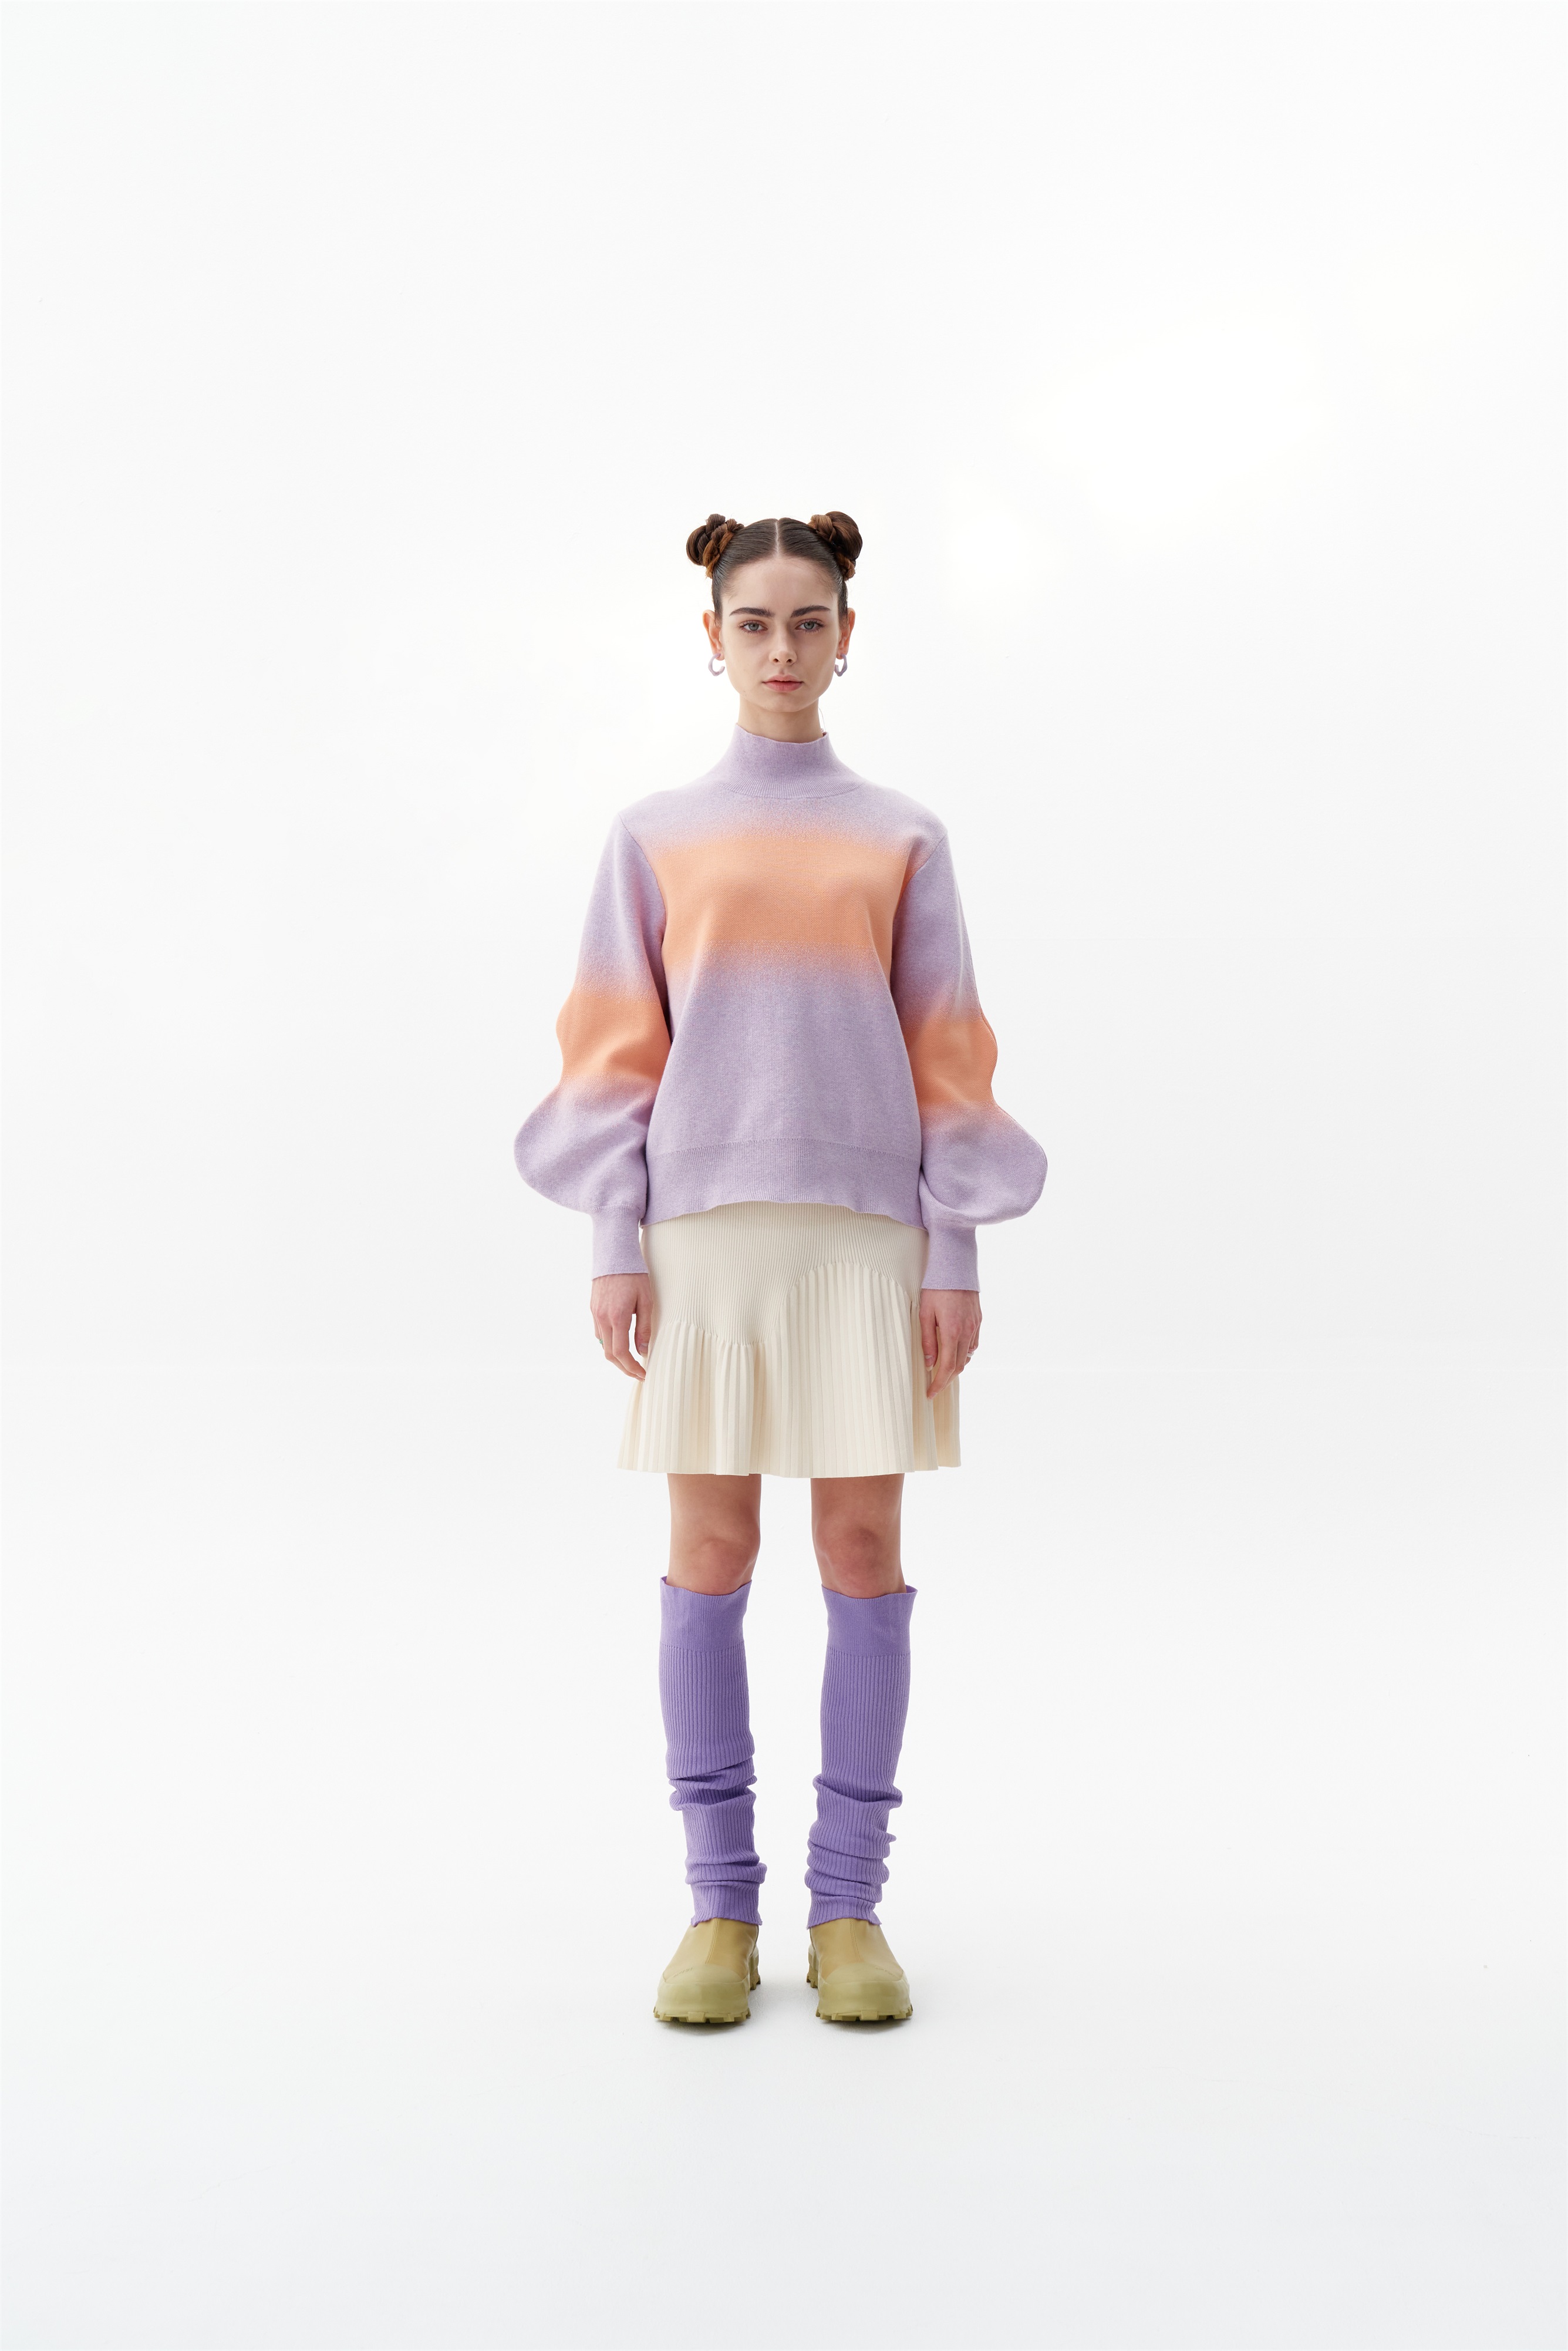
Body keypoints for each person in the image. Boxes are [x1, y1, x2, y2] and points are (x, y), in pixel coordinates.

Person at [514, 511, 1046, 2025]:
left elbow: (948, 1052)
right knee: (711, 1550)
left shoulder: (903, 834)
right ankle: (718, 1909)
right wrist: (614, 1238)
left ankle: (852, 1908)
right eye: (754, 623)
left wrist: (955, 1251)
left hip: (870, 1239)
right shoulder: (653, 835)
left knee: (862, 1553)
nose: (783, 649)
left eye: (810, 621)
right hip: (704, 1241)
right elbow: (616, 1048)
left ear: (848, 635)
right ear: (713, 638)